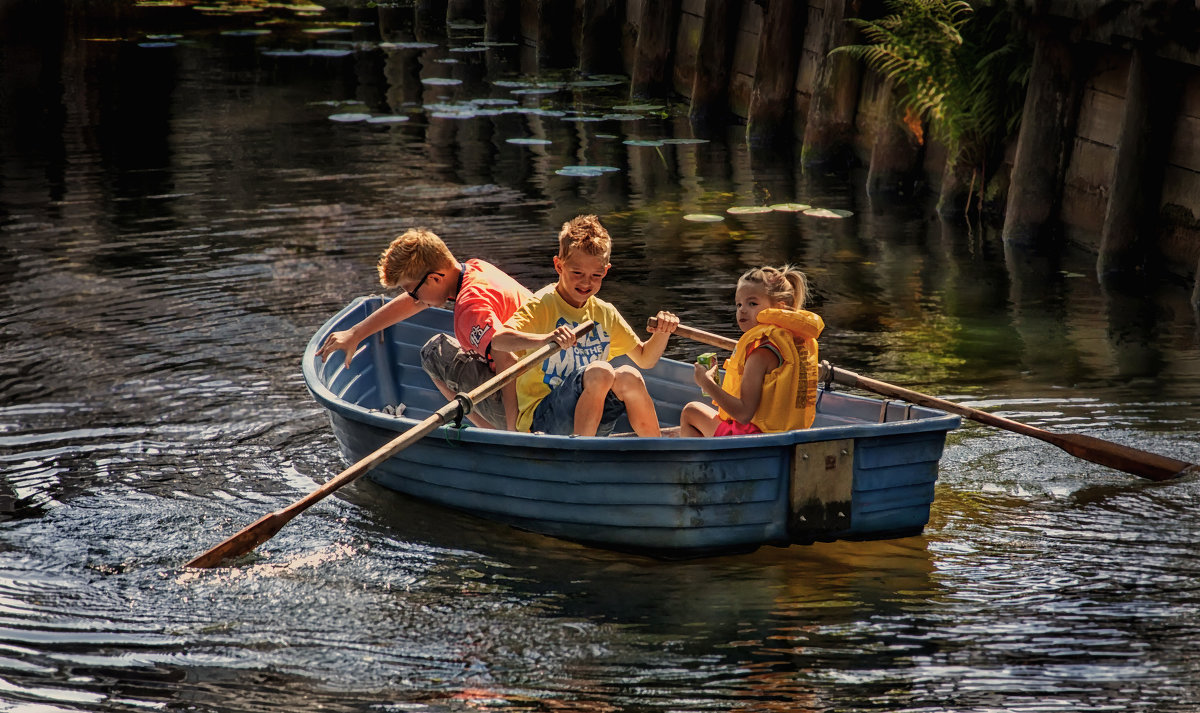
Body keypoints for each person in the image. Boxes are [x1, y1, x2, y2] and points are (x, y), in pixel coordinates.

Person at [316, 228, 532, 430]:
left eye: (412, 290)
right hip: (550, 384)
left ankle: (494, 434)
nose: (413, 298)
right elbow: (417, 301)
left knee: (434, 352)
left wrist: (514, 434)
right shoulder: (477, 270)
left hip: (528, 404)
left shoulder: (469, 308)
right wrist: (357, 333)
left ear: (435, 278)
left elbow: (508, 361)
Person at [491, 215, 679, 437]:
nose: (586, 282)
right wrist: (545, 339)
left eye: (596, 275)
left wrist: (663, 332)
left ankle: (655, 451)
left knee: (630, 375)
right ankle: (582, 452)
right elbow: (499, 340)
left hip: (592, 417)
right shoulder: (544, 304)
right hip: (544, 419)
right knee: (601, 371)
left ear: (606, 271)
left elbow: (646, 359)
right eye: (577, 273)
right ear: (559, 266)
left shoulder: (604, 312)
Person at [679, 265, 824, 437]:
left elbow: (743, 414)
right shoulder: (794, 341)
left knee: (691, 411)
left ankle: (706, 464)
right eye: (738, 304)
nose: (742, 309)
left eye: (752, 303)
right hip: (785, 438)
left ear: (780, 307)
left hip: (752, 440)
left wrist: (705, 382)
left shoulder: (760, 355)